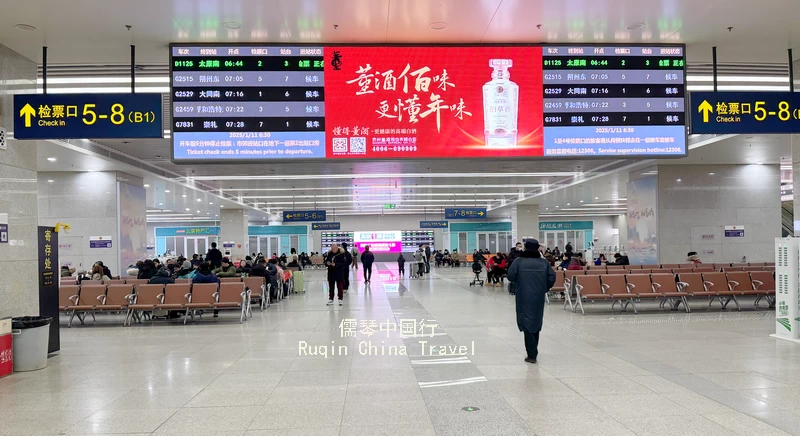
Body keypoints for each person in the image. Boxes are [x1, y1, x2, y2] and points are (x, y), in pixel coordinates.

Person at [507, 240, 555, 364]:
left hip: (523, 295)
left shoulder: (519, 262)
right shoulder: (544, 263)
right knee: (536, 321)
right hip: (538, 296)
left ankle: (532, 354)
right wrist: (544, 288)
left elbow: (511, 276)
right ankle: (533, 351)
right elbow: (552, 277)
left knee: (525, 321)